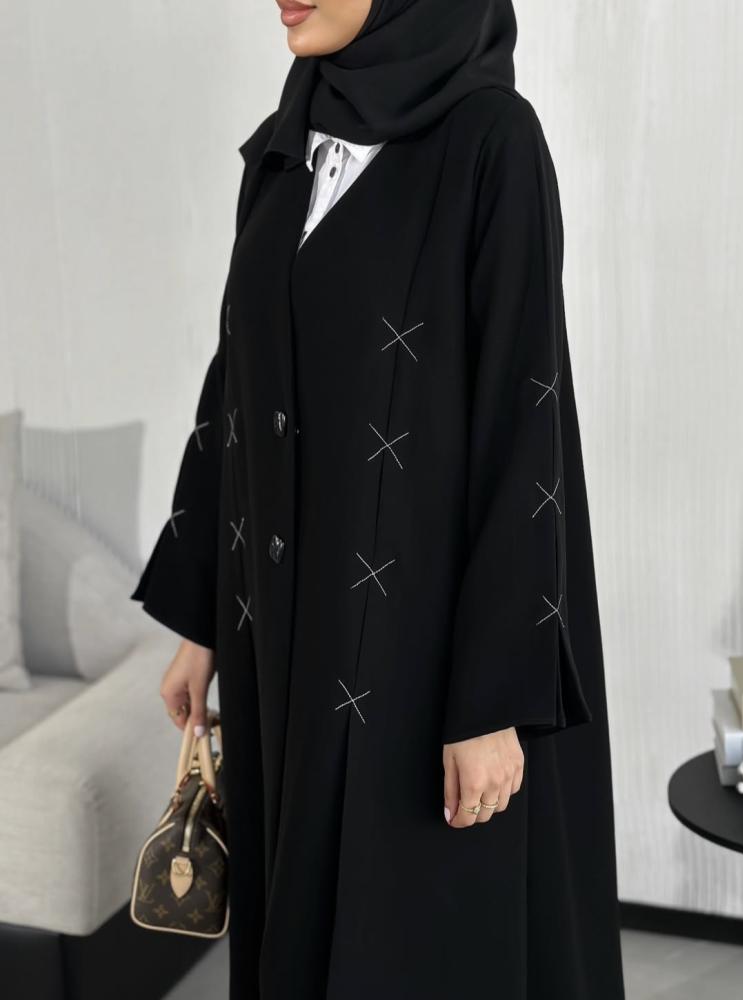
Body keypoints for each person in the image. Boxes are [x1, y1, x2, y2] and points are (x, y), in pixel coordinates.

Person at [130, 1, 625, 997]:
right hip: (284, 642)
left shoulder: (491, 144)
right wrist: (203, 622)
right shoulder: (285, 145)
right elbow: (235, 384)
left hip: (422, 662)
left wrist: (492, 702)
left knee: (413, 940)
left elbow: (523, 428)